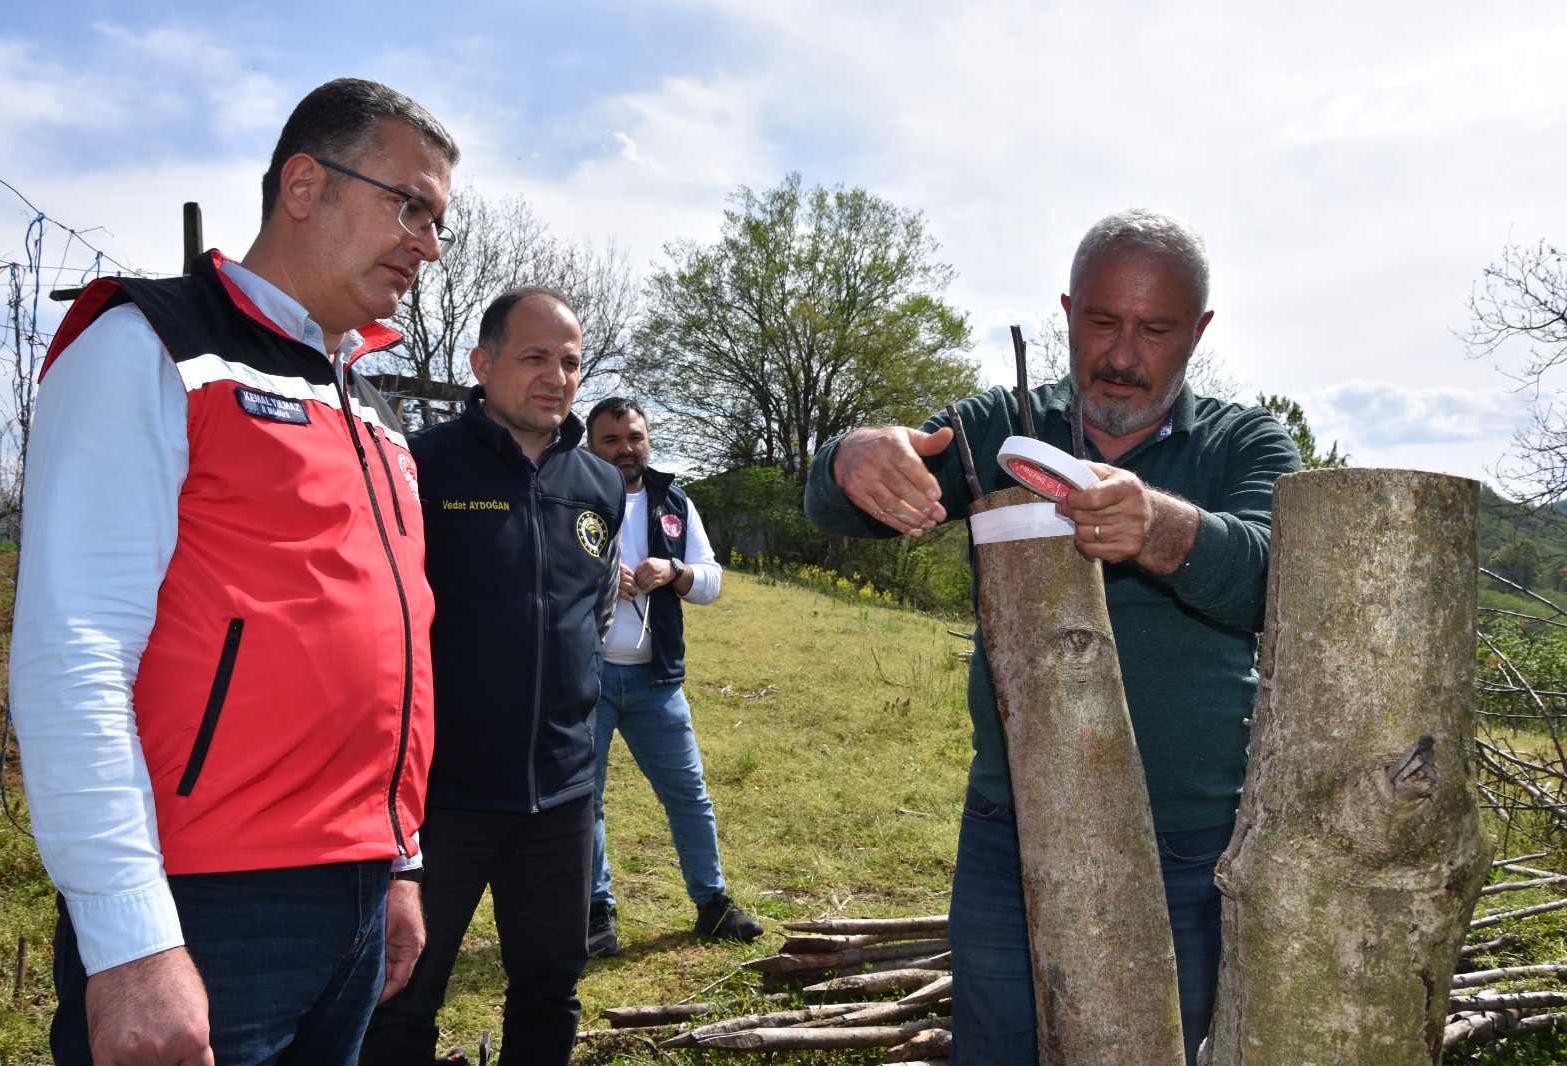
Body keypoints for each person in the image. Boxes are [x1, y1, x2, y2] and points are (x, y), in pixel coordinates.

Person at [7, 78, 457, 1064]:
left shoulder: (373, 412)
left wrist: (400, 864)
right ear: (305, 185)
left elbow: (394, 653)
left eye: (437, 222)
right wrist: (130, 941)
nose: (428, 245)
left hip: (358, 888)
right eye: (409, 207)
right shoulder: (150, 346)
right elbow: (71, 654)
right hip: (205, 901)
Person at [802, 209, 1302, 1066]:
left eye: (1155, 330)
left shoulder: (1243, 443)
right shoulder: (997, 428)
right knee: (996, 1046)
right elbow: (833, 507)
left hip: (1185, 844)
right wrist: (852, 457)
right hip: (1011, 830)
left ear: (1199, 331)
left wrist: (1161, 528)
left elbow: (1272, 583)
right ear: (1067, 314)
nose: (1122, 354)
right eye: (1101, 321)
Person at [360, 288, 624, 1066]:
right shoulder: (420, 464)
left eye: (570, 362)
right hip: (441, 793)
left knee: (551, 987)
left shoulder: (601, 484)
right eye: (535, 357)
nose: (557, 377)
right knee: (402, 993)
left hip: (561, 793)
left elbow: (596, 614)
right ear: (482, 364)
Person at [581, 397, 763, 958]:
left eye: (634, 437)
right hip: (585, 680)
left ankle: (712, 905)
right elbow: (540, 578)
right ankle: (595, 912)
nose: (625, 449)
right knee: (585, 802)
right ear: (591, 446)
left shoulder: (675, 502)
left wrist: (675, 569)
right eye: (611, 440)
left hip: (657, 682)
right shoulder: (571, 495)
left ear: (647, 440)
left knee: (689, 795)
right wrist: (598, 579)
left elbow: (711, 582)